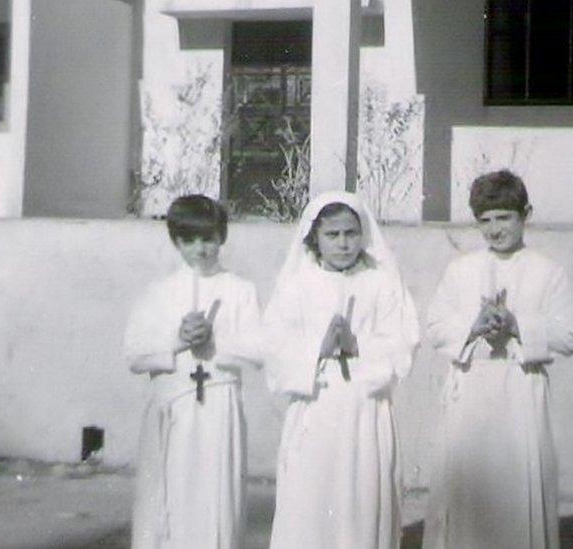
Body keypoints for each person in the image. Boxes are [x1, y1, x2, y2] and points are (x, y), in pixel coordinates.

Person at [423, 170, 573, 549]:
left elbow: (569, 336)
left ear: (526, 214)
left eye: (504, 217)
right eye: (485, 220)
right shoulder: (461, 270)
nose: (495, 229)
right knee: (468, 494)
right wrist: (472, 326)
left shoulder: (547, 272)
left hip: (519, 395)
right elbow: (435, 326)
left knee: (516, 494)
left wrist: (518, 325)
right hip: (472, 392)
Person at [262, 191, 419, 549]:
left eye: (351, 233)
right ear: (314, 238)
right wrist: (318, 348)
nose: (344, 243)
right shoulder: (297, 285)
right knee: (310, 502)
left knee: (362, 500)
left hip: (365, 410)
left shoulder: (381, 282)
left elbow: (404, 341)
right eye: (333, 235)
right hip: (316, 407)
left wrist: (357, 346)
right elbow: (274, 345)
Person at [124, 194, 261, 549]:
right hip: (174, 408)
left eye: (209, 238)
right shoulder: (159, 293)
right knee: (168, 497)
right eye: (190, 240)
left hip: (218, 405)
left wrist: (217, 337)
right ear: (176, 241)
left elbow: (258, 349)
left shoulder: (240, 290)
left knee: (215, 498)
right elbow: (135, 354)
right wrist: (177, 339)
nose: (201, 249)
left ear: (222, 237)